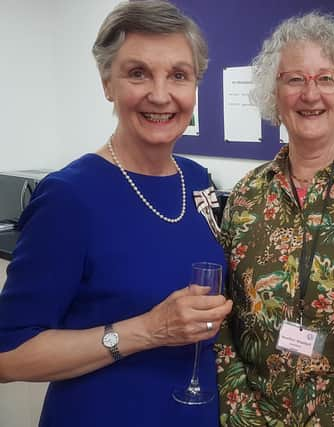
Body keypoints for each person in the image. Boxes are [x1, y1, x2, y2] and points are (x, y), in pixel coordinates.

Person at [0, 2, 232, 426]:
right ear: (108, 82)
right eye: (138, 72)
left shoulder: (198, 181)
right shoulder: (69, 197)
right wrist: (148, 330)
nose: (160, 95)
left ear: (195, 86)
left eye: (178, 75)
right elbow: (9, 355)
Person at [214, 12, 334, 427]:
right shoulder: (247, 194)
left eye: (326, 78)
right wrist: (238, 405)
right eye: (294, 79)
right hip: (251, 416)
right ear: (275, 93)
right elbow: (223, 312)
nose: (310, 94)